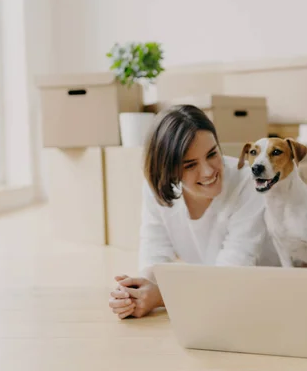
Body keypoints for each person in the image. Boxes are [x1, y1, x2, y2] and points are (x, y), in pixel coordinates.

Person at [108, 104, 279, 319]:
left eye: (212, 154)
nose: (208, 171)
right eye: (190, 165)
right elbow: (154, 253)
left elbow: (231, 274)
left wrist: (161, 297)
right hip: (216, 293)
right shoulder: (158, 188)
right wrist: (133, 293)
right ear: (168, 171)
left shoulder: (248, 182)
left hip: (268, 294)